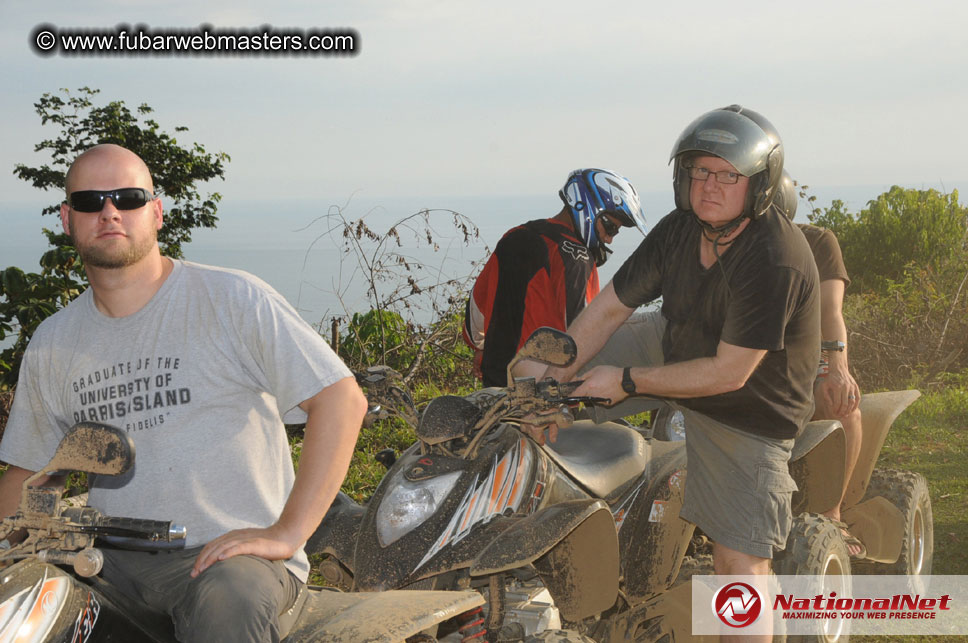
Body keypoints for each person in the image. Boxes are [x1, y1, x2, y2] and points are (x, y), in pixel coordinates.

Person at [0, 144, 367, 643]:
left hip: (230, 558)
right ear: (68, 219)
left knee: (227, 604)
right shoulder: (53, 342)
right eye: (90, 202)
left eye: (128, 198)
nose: (109, 212)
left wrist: (286, 533)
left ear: (156, 212)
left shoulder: (232, 299)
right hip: (111, 563)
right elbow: (30, 475)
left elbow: (341, 400)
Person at [529, 106, 820, 639]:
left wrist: (626, 382)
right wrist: (552, 377)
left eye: (728, 175)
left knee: (739, 567)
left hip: (749, 411)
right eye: (700, 172)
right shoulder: (681, 229)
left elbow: (729, 373)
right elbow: (610, 308)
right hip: (675, 345)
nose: (709, 186)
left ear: (759, 184)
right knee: (539, 364)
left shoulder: (775, 256)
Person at [463, 168, 647, 386]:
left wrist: (481, 348)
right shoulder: (578, 259)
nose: (609, 239)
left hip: (495, 386)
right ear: (585, 206)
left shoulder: (513, 236)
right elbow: (585, 334)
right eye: (610, 227)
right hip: (542, 396)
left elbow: (475, 311)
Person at [775, 171, 864, 555]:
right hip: (743, 367)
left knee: (844, 407)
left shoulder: (817, 242)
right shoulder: (724, 247)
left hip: (806, 361)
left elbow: (831, 310)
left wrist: (837, 366)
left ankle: (831, 515)